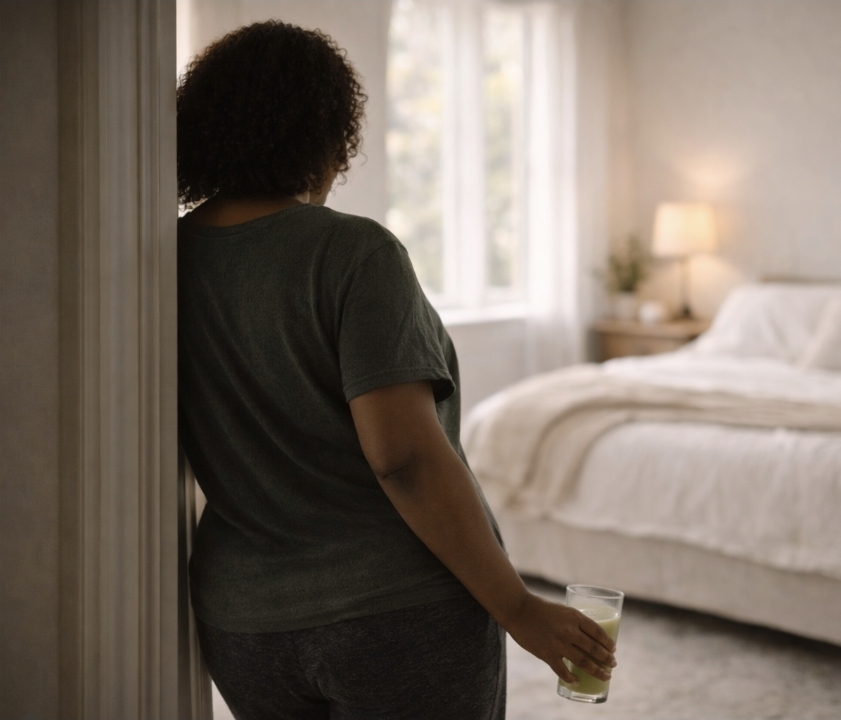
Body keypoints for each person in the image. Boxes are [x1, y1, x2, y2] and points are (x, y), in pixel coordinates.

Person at [176, 20, 616, 720]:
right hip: (398, 613)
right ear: (325, 134)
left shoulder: (165, 256)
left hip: (244, 623)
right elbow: (403, 458)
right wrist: (518, 607)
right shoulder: (354, 252)